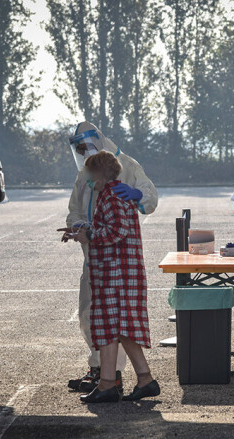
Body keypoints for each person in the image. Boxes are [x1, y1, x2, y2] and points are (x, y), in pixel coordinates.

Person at [63, 122, 158, 394]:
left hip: (115, 264)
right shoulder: (86, 173)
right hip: (98, 261)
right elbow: (75, 210)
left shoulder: (125, 168)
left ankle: (109, 377)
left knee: (112, 323)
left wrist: (139, 195)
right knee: (94, 318)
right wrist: (79, 227)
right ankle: (119, 375)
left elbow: (143, 203)